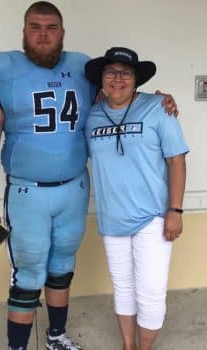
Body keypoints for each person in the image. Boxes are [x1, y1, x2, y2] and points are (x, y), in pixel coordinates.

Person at [0, 2, 179, 349]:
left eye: (51, 27)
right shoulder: (2, 68)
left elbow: (117, 96)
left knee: (62, 266)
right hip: (28, 193)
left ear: (62, 32)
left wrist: (158, 100)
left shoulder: (81, 68)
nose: (43, 34)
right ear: (24, 31)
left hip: (74, 189)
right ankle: (18, 346)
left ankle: (56, 336)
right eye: (35, 26)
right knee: (29, 273)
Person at [84, 47, 189, 350]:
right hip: (111, 218)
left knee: (151, 291)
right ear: (101, 79)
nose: (118, 78)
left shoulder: (158, 107)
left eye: (125, 72)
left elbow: (176, 161)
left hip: (153, 217)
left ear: (136, 79)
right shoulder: (91, 115)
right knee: (124, 288)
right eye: (111, 72)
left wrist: (176, 209)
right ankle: (128, 346)